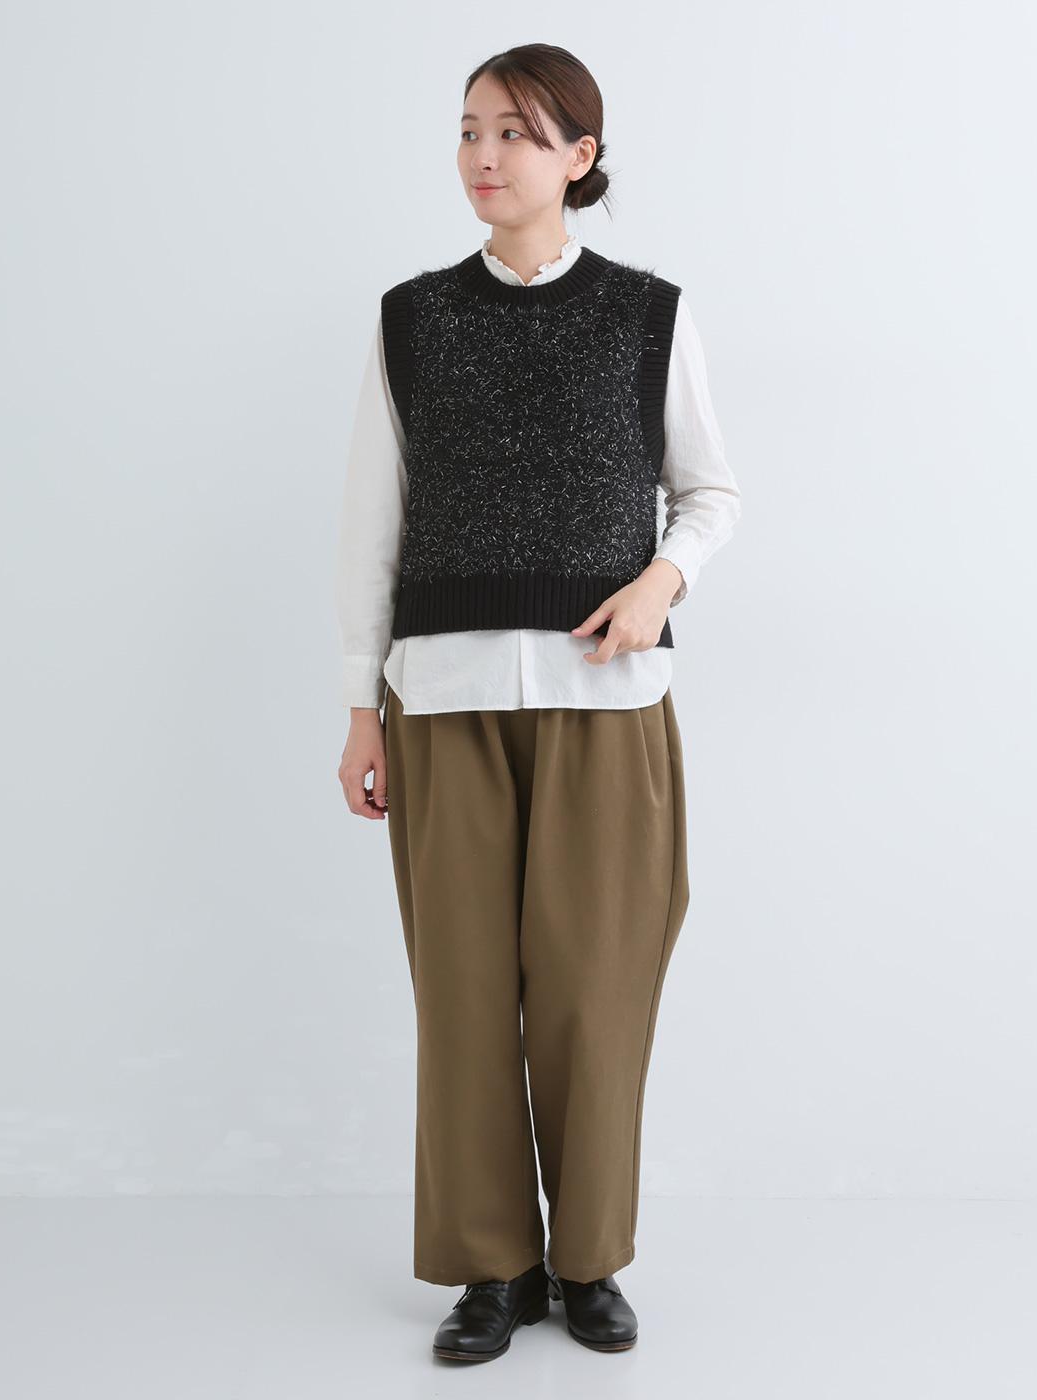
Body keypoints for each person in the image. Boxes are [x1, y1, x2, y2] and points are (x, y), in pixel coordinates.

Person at [335, 43, 742, 1362]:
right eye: (469, 130)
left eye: (515, 132)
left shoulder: (648, 314)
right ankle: (491, 1269)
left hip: (607, 704)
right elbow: (371, 528)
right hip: (442, 702)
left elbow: (711, 492)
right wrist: (359, 708)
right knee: (461, 995)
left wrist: (660, 582)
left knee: (595, 993)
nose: (484, 156)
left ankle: (590, 1260)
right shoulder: (410, 319)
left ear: (580, 155)